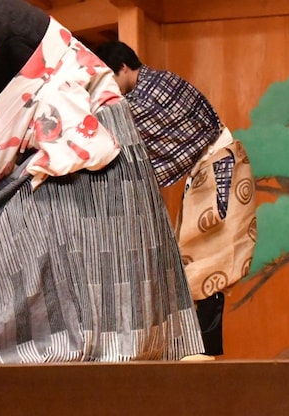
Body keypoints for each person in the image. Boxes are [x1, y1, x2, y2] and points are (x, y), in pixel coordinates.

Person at [94, 40, 257, 357]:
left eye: (110, 78)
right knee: (197, 261)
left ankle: (206, 350)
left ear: (124, 68)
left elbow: (125, 128)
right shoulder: (158, 83)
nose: (111, 89)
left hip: (218, 166)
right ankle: (202, 349)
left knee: (208, 266)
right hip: (212, 167)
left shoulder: (151, 92)